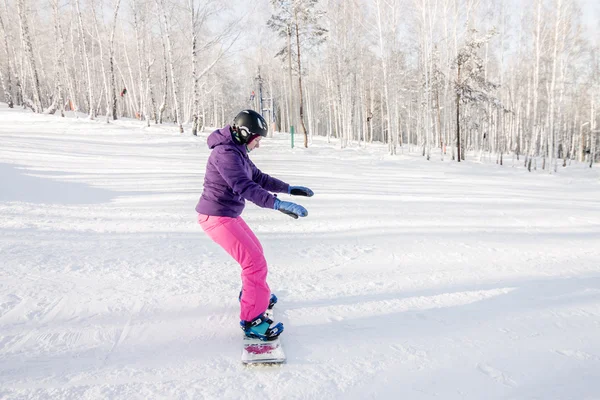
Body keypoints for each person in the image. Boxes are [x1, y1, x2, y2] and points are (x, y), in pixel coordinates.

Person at [195, 109, 314, 341]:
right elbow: (245, 187)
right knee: (254, 263)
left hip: (226, 215)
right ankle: (252, 321)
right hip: (217, 217)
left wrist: (288, 188)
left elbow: (257, 177)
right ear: (244, 134)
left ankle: (254, 295)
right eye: (257, 140)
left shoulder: (236, 150)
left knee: (256, 255)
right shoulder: (225, 154)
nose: (258, 145)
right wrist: (277, 204)